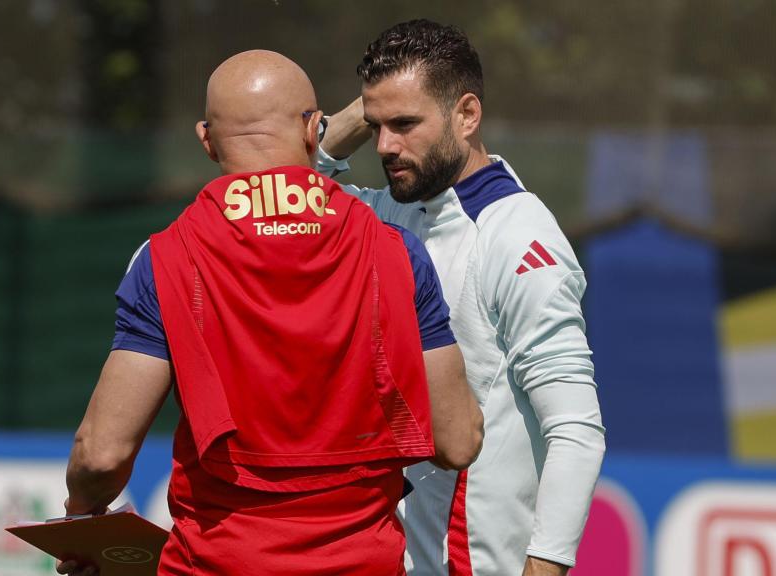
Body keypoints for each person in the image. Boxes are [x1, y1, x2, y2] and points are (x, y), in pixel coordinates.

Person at [58, 49, 483, 576]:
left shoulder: (167, 257)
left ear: (206, 140)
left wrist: (84, 523)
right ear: (313, 132)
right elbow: (457, 440)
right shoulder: (395, 253)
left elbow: (101, 454)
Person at [316, 20, 606, 576]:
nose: (383, 146)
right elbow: (293, 186)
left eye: (404, 123)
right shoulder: (395, 206)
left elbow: (575, 430)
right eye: (374, 125)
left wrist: (544, 568)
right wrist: (374, 102)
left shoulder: (520, 238)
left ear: (467, 115)